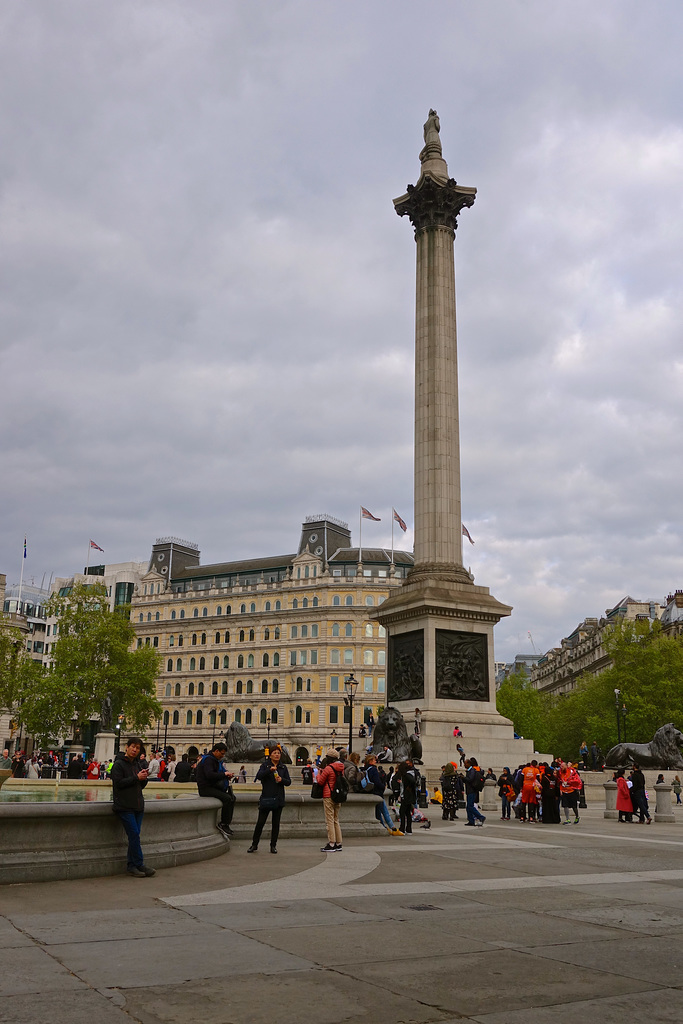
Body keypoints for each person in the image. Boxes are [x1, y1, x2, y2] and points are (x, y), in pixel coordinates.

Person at [110, 736, 156, 877]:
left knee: (134, 836)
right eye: (133, 747)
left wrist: (143, 778)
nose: (135, 750)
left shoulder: (138, 764)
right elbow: (118, 783)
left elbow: (139, 786)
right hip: (124, 805)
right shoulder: (118, 764)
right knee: (134, 835)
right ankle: (139, 864)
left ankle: (132, 865)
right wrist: (136, 778)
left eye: (137, 748)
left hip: (137, 805)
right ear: (127, 747)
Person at [248, 745, 291, 853]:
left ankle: (273, 845)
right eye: (275, 753)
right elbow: (259, 776)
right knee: (260, 823)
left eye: (278, 753)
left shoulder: (283, 767)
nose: (277, 755)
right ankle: (254, 844)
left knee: (275, 824)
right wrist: (269, 770)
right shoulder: (265, 765)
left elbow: (289, 782)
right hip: (266, 797)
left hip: (278, 799)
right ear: (270, 755)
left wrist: (282, 780)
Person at [196, 742, 235, 838]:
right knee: (227, 798)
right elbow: (210, 775)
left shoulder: (215, 760)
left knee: (232, 798)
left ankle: (226, 823)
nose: (223, 756)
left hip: (212, 787)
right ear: (216, 751)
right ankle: (223, 824)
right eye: (222, 753)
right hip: (206, 788)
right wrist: (224, 775)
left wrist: (226, 774)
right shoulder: (209, 760)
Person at [364, 754, 401, 834]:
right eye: (374, 760)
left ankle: (384, 827)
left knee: (378, 812)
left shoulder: (365, 769)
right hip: (378, 793)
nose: (376, 761)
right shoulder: (373, 769)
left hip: (370, 792)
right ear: (370, 761)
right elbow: (377, 782)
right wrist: (383, 786)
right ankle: (393, 828)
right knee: (385, 811)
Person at [318, 747, 346, 852]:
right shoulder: (341, 767)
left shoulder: (329, 769)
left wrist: (319, 774)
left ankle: (331, 843)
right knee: (335, 819)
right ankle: (338, 843)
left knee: (329, 820)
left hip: (328, 794)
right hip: (338, 795)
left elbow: (320, 782)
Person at [396, 759, 419, 835]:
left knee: (402, 812)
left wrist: (409, 787)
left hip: (406, 796)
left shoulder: (406, 774)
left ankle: (402, 828)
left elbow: (412, 781)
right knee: (407, 813)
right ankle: (408, 829)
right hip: (407, 796)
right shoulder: (407, 774)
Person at [464, 758, 486, 826]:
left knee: (470, 806)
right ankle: (471, 821)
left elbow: (470, 779)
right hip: (469, 790)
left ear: (469, 764)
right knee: (468, 807)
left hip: (472, 790)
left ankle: (481, 817)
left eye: (465, 763)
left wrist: (463, 778)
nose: (464, 765)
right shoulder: (469, 770)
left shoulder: (472, 770)